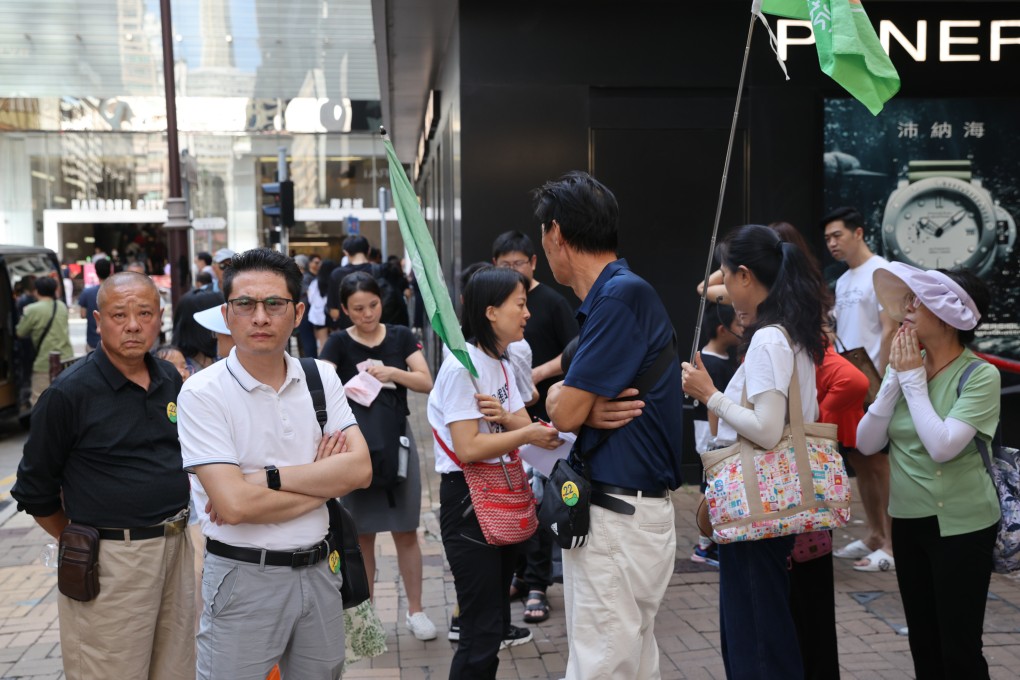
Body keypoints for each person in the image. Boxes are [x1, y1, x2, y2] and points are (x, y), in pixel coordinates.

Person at [177, 248, 372, 680]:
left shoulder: (321, 376)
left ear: (298, 312)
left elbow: (361, 471)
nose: (259, 317)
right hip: (244, 578)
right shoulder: (202, 393)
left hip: (323, 571)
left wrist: (265, 479)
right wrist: (325, 483)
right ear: (227, 315)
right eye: (245, 305)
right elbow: (234, 507)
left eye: (274, 304)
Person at [11, 272, 195, 680]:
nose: (133, 324)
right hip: (111, 560)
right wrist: (84, 544)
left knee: (177, 669)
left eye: (144, 313)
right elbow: (34, 490)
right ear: (98, 321)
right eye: (119, 314)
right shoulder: (68, 393)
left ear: (159, 316)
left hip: (175, 548)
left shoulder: (168, 380)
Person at [538, 172, 683, 680]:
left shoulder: (619, 297)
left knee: (601, 667)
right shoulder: (616, 294)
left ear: (556, 234)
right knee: (629, 663)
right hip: (623, 515)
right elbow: (573, 405)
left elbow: (563, 411)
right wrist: (575, 402)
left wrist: (568, 400)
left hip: (619, 518)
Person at [682, 224, 828, 680]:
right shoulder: (793, 332)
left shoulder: (768, 339)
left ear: (744, 275)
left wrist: (711, 394)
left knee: (755, 635)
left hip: (755, 507)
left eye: (726, 275)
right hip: (771, 501)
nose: (723, 288)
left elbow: (766, 430)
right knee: (765, 624)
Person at [857, 264, 999, 679]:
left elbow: (942, 447)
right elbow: (866, 444)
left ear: (949, 315)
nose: (908, 307)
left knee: (959, 648)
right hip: (907, 520)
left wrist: (912, 382)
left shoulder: (980, 375)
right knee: (924, 643)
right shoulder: (907, 364)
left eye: (920, 301)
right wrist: (892, 385)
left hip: (963, 525)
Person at [428, 266, 563, 678]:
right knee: (480, 629)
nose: (527, 314)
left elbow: (523, 423)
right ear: (490, 312)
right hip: (469, 501)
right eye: (519, 305)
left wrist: (513, 422)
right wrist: (524, 434)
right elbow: (469, 448)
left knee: (492, 626)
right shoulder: (461, 369)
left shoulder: (501, 362)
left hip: (499, 495)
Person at [319, 271, 437, 641]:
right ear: (343, 310)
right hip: (354, 451)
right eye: (357, 309)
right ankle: (365, 619)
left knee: (406, 531)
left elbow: (426, 381)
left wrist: (392, 372)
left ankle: (416, 611)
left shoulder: (401, 336)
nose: (367, 314)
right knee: (361, 536)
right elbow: (320, 387)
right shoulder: (338, 344)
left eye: (372, 305)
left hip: (396, 444)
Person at [823, 207, 898, 572]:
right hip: (849, 380)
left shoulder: (881, 271)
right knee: (858, 460)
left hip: (874, 382)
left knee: (880, 463)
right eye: (827, 239)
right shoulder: (843, 280)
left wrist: (882, 382)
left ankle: (891, 544)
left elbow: (889, 328)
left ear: (859, 232)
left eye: (837, 235)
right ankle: (873, 534)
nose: (832, 244)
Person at [690, 303, 740, 567]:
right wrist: (716, 439)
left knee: (707, 486)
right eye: (737, 325)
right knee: (707, 487)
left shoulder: (710, 359)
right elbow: (713, 404)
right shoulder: (713, 364)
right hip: (712, 436)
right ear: (722, 330)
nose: (742, 329)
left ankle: (707, 542)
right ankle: (704, 545)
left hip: (708, 434)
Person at [16, 276, 73, 408]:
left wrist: (24, 315)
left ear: (36, 291)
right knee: (66, 401)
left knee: (39, 403)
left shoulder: (32, 309)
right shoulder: (61, 306)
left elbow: (20, 332)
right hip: (66, 360)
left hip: (45, 363)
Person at [327, 235, 375, 328]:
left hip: (349, 333)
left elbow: (334, 312)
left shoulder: (337, 274)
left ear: (345, 253)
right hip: (377, 330)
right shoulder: (379, 271)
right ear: (369, 250)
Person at [79, 258, 111, 352]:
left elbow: (82, 314)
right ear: (110, 271)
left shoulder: (87, 292)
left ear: (96, 272)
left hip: (93, 342)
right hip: (113, 341)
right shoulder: (118, 292)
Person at [294, 254, 318, 358]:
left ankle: (307, 361)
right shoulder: (307, 277)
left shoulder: (304, 278)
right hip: (306, 313)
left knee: (306, 340)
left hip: (305, 313)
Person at [310, 259, 336, 352]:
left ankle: (323, 365)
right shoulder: (336, 282)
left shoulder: (315, 283)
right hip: (333, 314)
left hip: (318, 315)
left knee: (322, 344)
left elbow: (311, 299)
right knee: (335, 342)